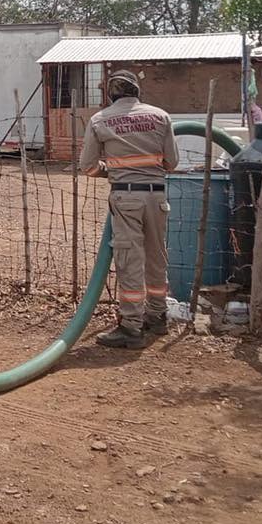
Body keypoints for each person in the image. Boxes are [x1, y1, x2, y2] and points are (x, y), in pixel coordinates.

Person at [79, 70, 179, 349]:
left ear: (111, 94)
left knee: (130, 261)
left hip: (126, 198)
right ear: (137, 91)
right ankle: (158, 317)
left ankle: (131, 327)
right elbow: (172, 162)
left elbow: (87, 166)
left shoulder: (100, 120)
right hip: (157, 198)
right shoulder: (161, 116)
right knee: (157, 258)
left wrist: (112, 170)